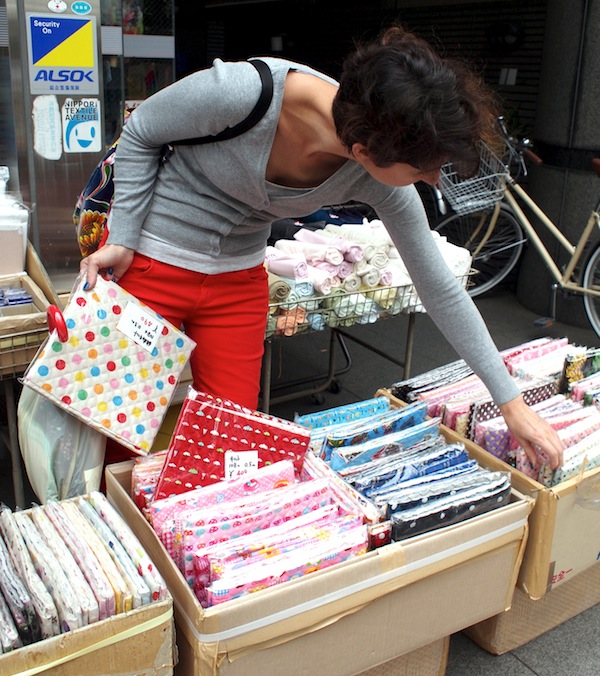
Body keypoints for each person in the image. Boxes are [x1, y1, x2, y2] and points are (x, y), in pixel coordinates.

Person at [80, 24, 563, 471]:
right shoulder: (244, 92)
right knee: (119, 433)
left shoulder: (381, 178)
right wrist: (122, 237)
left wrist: (511, 404)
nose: (432, 181)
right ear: (364, 151)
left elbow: (440, 288)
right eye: (423, 169)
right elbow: (142, 130)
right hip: (152, 259)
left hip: (240, 278)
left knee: (232, 444)